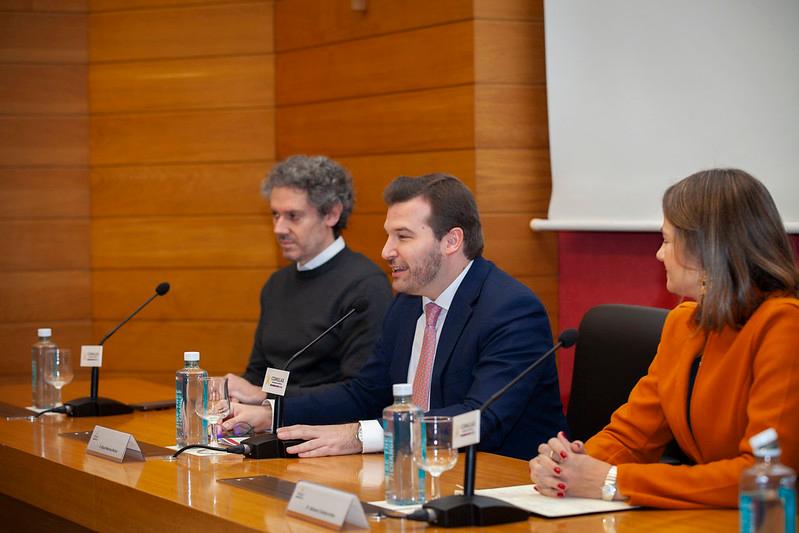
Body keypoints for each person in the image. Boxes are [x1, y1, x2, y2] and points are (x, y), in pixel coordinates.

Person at [223, 173, 567, 460]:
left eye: (402, 236)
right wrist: (274, 413)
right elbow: (364, 394)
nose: (386, 251)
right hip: (414, 470)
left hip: (502, 485)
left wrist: (361, 436)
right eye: (389, 235)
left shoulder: (511, 310)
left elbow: (481, 419)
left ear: (451, 241)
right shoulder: (406, 304)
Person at [530, 168, 799, 508]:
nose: (659, 254)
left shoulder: (783, 325)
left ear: (706, 246)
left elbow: (763, 474)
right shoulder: (683, 324)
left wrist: (613, 481)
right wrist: (567, 466)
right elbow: (633, 435)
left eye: (668, 241)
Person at [226, 155, 392, 402]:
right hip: (267, 424)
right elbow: (258, 373)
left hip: (325, 433)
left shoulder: (366, 287)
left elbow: (360, 393)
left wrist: (264, 398)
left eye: (293, 216)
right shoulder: (276, 284)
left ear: (331, 215)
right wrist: (234, 396)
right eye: (275, 215)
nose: (279, 229)